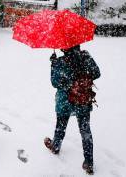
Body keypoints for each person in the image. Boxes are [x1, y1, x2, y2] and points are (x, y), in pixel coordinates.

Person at [44, 45, 101, 175]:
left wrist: (53, 63)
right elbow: (97, 73)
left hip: (65, 102)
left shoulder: (59, 62)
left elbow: (55, 82)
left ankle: (55, 146)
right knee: (85, 131)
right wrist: (82, 78)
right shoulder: (85, 56)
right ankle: (89, 162)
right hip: (82, 100)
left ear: (63, 48)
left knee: (61, 126)